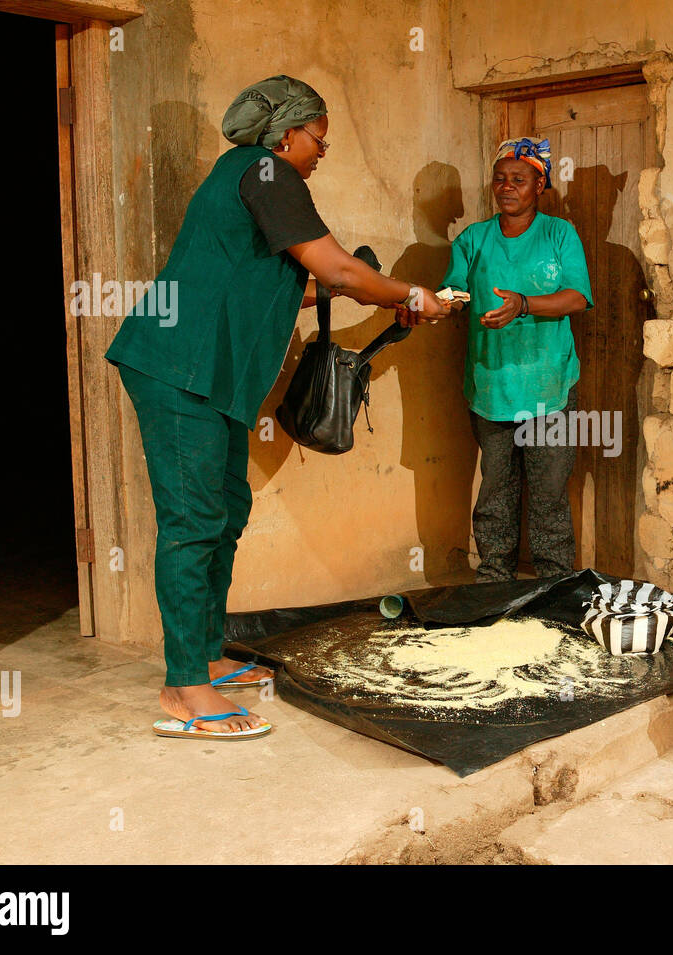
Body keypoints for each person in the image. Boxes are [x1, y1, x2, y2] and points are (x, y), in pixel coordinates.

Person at [105, 75, 450, 740]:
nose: (323, 150)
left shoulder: (254, 175)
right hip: (179, 368)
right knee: (193, 521)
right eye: (319, 138)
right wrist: (410, 291)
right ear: (287, 134)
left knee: (224, 511)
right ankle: (184, 687)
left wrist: (381, 294)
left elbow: (303, 280)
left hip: (211, 376)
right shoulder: (266, 171)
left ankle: (206, 652)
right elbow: (340, 270)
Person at [432, 138, 593, 582]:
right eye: (500, 179)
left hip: (550, 387)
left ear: (539, 184)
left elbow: (577, 297)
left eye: (519, 179)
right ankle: (493, 585)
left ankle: (553, 585)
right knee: (495, 494)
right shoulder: (472, 239)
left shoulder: (559, 234)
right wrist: (434, 305)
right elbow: (455, 294)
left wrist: (523, 304)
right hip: (491, 387)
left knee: (548, 494)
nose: (507, 187)